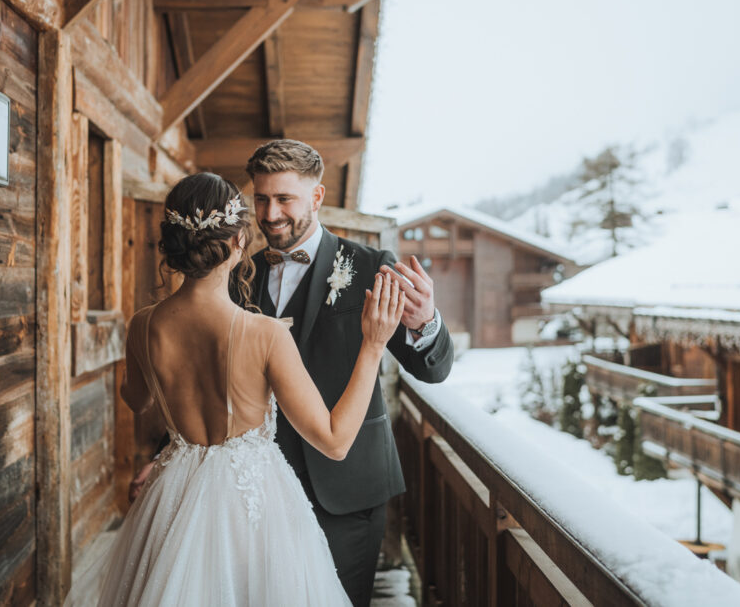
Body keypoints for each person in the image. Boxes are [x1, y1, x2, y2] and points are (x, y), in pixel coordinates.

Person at [132, 139, 455, 606]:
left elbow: (435, 369)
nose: (271, 213)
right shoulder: (236, 272)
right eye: (261, 199)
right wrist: (171, 460)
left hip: (346, 491)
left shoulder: (369, 268)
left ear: (317, 197)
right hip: (252, 497)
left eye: (284, 199)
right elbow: (202, 375)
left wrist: (426, 324)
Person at [68, 173, 405, 605]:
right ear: (236, 243)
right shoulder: (264, 334)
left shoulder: (144, 324)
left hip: (174, 492)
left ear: (172, 246)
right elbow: (336, 442)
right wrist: (373, 348)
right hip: (254, 507)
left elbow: (137, 399)